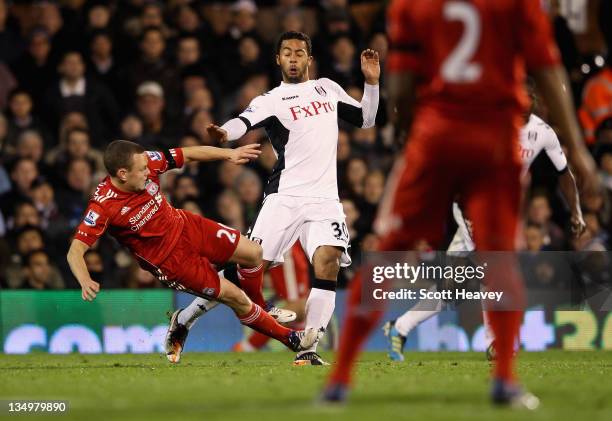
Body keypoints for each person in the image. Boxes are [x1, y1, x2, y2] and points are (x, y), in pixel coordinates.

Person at [322, 0, 598, 408]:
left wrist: (405, 138)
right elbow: (547, 67)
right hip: (494, 140)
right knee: (501, 260)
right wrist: (579, 149)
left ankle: (340, 378)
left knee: (389, 251)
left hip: (436, 137)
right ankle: (504, 378)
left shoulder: (411, 5)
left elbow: (401, 80)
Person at [165, 30, 380, 366]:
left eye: (299, 53)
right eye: (287, 53)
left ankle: (308, 347)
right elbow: (243, 121)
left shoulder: (328, 88)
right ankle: (185, 319)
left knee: (328, 262)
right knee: (246, 265)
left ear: (309, 59)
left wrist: (371, 84)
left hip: (325, 199)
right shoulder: (272, 99)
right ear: (278, 59)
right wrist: (224, 132)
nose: (293, 58)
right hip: (285, 196)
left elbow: (366, 120)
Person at [66, 140, 317, 362]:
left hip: (186, 225)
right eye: (142, 170)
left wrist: (228, 154)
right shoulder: (103, 206)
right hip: (171, 261)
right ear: (122, 174)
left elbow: (188, 154)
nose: (149, 171)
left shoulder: (147, 162)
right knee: (236, 298)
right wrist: (85, 278)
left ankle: (260, 306)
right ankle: (293, 340)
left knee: (253, 253)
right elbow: (75, 250)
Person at [384, 104, 586, 362]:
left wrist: (576, 211)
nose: (525, 99)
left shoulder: (542, 132)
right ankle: (497, 342)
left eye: (530, 94)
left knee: (454, 285)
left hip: (498, 210)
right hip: (469, 203)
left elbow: (564, 174)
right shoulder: (491, 120)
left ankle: (400, 327)